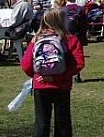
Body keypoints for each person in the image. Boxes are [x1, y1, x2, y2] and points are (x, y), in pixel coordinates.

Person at [20, 8, 85, 137]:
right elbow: (78, 64)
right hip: (62, 85)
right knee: (63, 122)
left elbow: (26, 65)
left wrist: (38, 75)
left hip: (40, 84)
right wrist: (58, 78)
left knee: (41, 122)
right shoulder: (70, 39)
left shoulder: (36, 39)